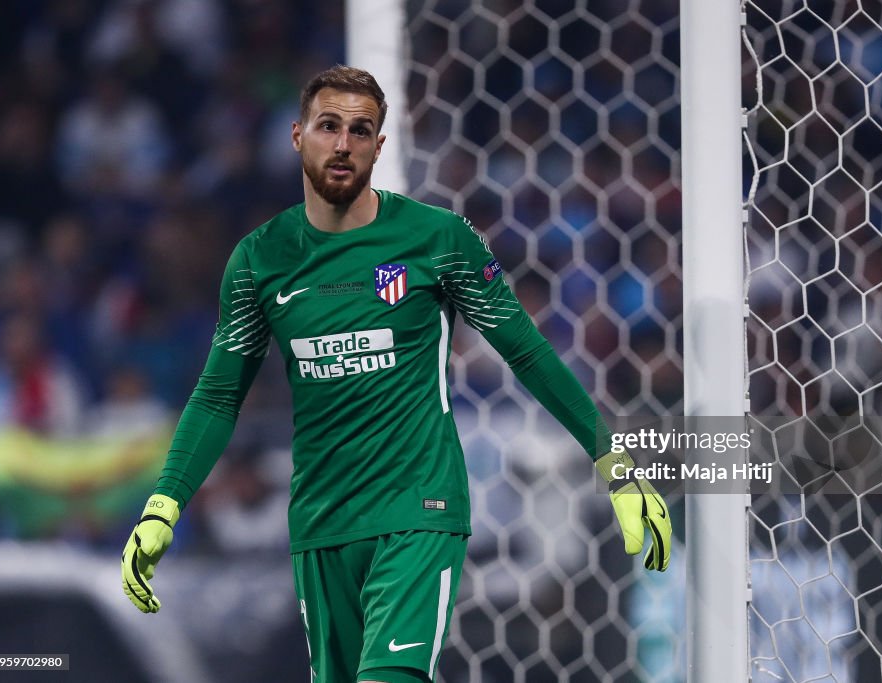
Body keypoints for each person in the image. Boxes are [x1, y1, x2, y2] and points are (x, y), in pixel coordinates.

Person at [120, 65, 671, 683]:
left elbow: (528, 353)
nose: (344, 143)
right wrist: (165, 504)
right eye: (329, 126)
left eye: (362, 130)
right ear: (299, 135)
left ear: (380, 146)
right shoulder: (260, 259)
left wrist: (615, 466)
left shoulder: (436, 239)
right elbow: (220, 395)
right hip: (322, 519)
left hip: (419, 507)